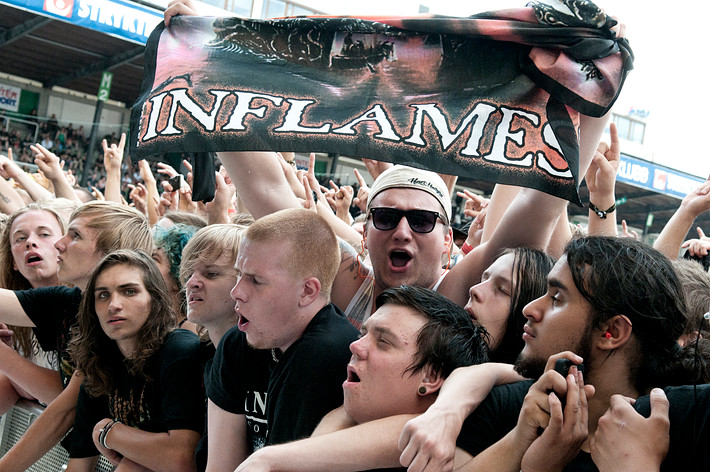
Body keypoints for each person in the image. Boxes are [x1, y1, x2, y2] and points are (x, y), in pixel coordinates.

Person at [454, 236, 710, 472]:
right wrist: (518, 442)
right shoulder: (509, 406)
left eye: (556, 298)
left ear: (611, 331)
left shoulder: (688, 428)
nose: (529, 309)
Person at [234, 285, 491, 472]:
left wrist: (269, 459)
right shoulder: (343, 419)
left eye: (383, 341)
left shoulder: (453, 455)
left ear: (431, 376)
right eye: (363, 333)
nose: (355, 347)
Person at [0, 201, 153, 472]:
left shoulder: (127, 326)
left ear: (110, 254)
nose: (60, 243)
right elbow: (71, 412)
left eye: (75, 235)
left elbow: (66, 410)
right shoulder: (71, 301)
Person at [206, 208, 359, 470]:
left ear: (307, 291)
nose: (237, 292)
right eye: (239, 274)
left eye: (255, 280)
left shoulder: (327, 353)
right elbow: (220, 465)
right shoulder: (239, 342)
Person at [64, 250, 204, 471]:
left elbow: (181, 458)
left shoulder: (178, 349)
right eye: (103, 295)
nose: (113, 305)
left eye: (129, 291)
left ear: (155, 299)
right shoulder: (99, 363)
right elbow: (79, 466)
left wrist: (108, 431)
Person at [179, 223, 249, 471]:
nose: (192, 283)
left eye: (211, 274)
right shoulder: (202, 357)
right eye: (189, 273)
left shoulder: (262, 362)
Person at [0, 203, 66, 413]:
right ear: (14, 263)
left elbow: (64, 397)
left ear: (65, 245)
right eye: (20, 238)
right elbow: (29, 392)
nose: (30, 242)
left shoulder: (80, 304)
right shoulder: (13, 318)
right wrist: (9, 351)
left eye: (44, 234)